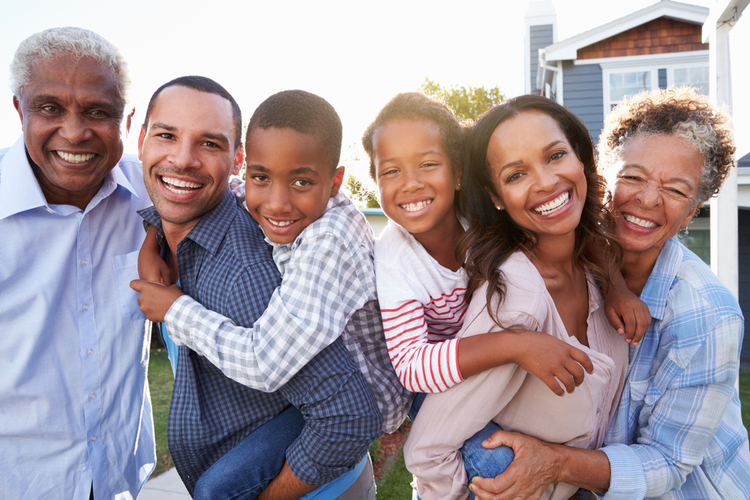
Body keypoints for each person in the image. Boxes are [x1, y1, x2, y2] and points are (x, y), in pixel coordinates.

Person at [471, 88, 750, 500]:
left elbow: (669, 463)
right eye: (633, 177)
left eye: (675, 190)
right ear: (601, 174)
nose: (649, 199)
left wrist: (554, 462)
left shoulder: (707, 315)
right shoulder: (569, 249)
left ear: (693, 210)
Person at [132, 87, 401, 499]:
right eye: (166, 135)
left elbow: (327, 403)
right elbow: (212, 192)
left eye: (208, 142)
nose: (276, 202)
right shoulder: (231, 203)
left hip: (351, 431)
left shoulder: (293, 255)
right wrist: (153, 240)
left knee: (216, 491)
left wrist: (174, 310)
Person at [402, 94, 631, 500]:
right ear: (495, 198)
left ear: (580, 156)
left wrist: (617, 284)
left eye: (555, 155)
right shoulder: (514, 297)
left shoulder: (599, 268)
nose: (545, 182)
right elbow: (427, 449)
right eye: (515, 175)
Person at [0, 27, 155, 499]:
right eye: (50, 107)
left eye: (98, 111)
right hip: (21, 481)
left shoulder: (155, 196)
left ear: (126, 121)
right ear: (19, 110)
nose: (74, 131)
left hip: (117, 478)